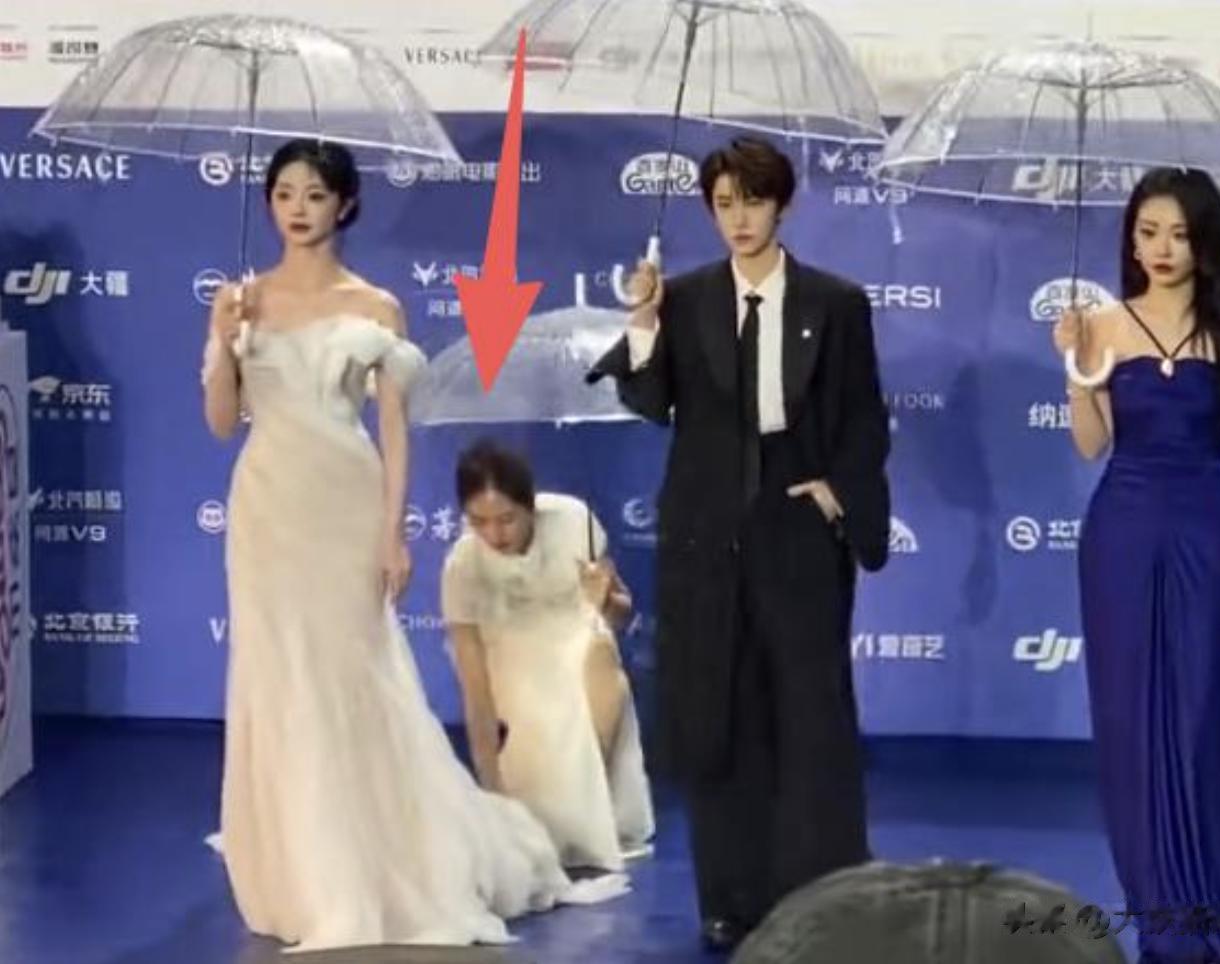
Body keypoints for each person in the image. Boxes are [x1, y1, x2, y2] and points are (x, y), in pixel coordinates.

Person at [200, 138, 625, 953]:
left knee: (355, 674)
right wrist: (224, 342)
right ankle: (299, 867)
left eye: (314, 194)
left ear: (345, 204)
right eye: (283, 193)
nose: (297, 208)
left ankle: (379, 858)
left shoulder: (376, 307)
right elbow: (223, 423)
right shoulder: (241, 301)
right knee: (277, 678)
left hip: (345, 505)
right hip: (265, 509)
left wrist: (393, 532)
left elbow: (394, 432)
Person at [589, 135, 892, 951]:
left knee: (810, 719)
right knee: (716, 718)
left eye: (753, 201)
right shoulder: (683, 299)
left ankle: (825, 896)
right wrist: (643, 320)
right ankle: (730, 898)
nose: (739, 218)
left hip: (798, 535)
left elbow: (864, 418)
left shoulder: (835, 303)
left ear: (781, 204)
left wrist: (836, 495)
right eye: (724, 204)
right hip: (705, 536)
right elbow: (650, 401)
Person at [1054, 167, 1220, 963]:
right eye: (1148, 233)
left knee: (1204, 717)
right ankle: (1162, 922)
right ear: (1131, 239)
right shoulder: (1103, 325)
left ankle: (1216, 914)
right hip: (1122, 534)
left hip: (1205, 531)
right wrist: (1074, 368)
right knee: (1130, 723)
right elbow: (1090, 444)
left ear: (1205, 240)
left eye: (1179, 233)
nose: (1163, 248)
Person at [440, 439, 655, 872]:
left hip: (578, 639)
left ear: (530, 506)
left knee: (599, 664)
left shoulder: (574, 520)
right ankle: (548, 815)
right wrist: (492, 796)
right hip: (513, 661)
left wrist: (604, 598)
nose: (494, 535)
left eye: (507, 519)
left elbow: (619, 613)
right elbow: (475, 687)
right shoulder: (463, 566)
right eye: (479, 521)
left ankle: (591, 804)